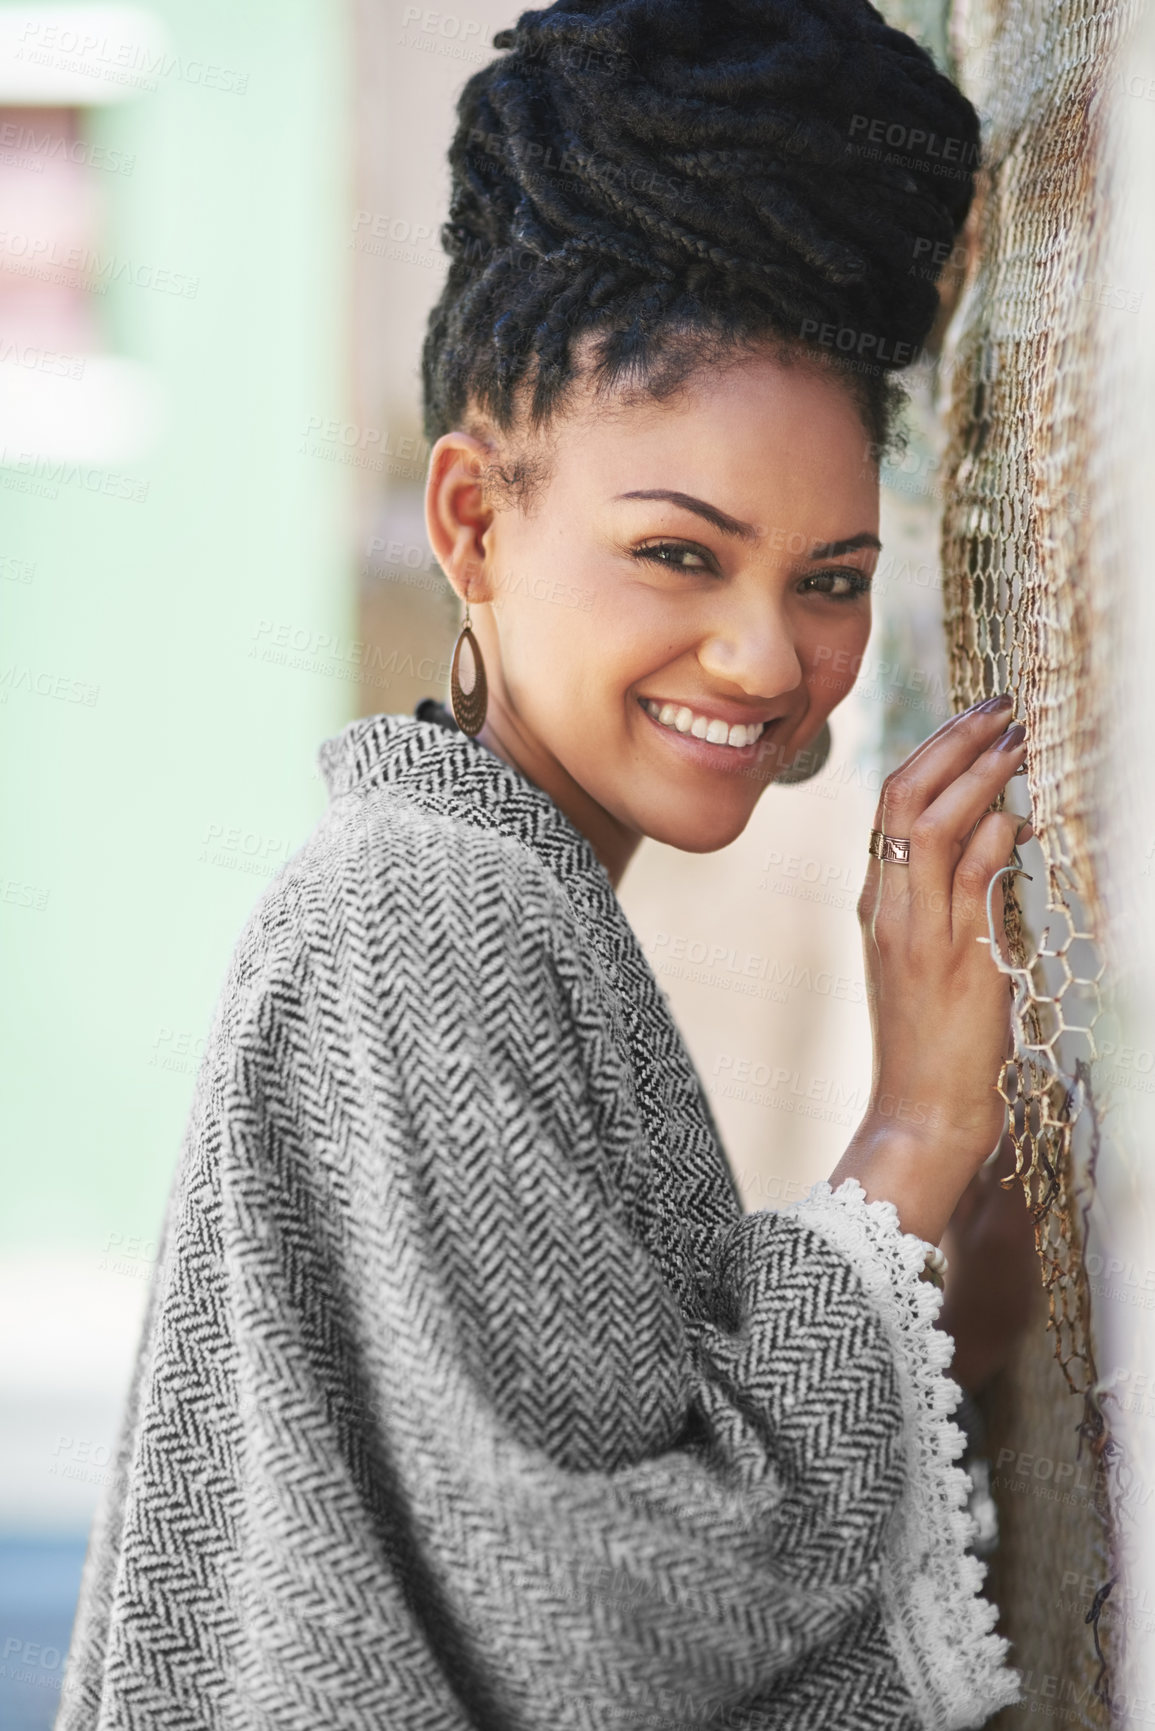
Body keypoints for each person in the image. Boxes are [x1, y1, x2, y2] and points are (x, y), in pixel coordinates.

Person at [56, 2, 1038, 1727]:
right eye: (679, 552)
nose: (760, 656)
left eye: (827, 577)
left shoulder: (481, 894)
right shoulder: (427, 912)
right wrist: (919, 1137)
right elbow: (594, 1618)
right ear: (470, 523)